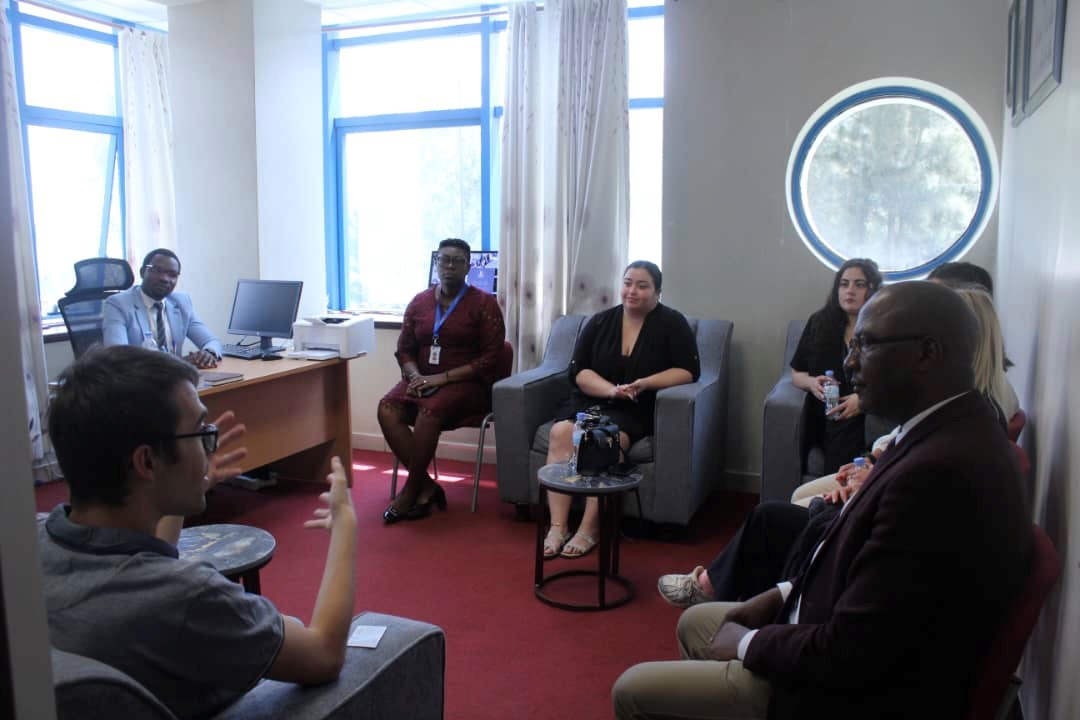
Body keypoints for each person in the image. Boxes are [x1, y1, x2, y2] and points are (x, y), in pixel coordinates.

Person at [615, 281, 1032, 720]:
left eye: (866, 346)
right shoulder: (942, 428)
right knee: (694, 622)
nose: (850, 363)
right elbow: (866, 575)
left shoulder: (938, 474)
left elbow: (851, 653)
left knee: (634, 690)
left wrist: (745, 642)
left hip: (849, 695)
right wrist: (782, 593)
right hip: (831, 630)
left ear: (927, 354)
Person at [40, 345, 357, 720]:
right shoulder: (188, 597)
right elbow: (323, 654)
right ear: (147, 461)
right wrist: (345, 526)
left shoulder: (33, 542)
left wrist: (180, 492)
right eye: (199, 433)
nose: (210, 445)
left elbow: (144, 563)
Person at [542, 261, 700, 559]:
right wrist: (611, 390)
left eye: (642, 286)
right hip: (594, 398)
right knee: (561, 431)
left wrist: (643, 384)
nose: (632, 291)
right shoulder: (601, 321)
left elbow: (688, 371)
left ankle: (589, 528)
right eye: (628, 283)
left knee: (601, 438)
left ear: (657, 292)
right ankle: (558, 526)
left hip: (637, 405)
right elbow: (579, 371)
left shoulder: (672, 323)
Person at [377, 238, 507, 524]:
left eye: (457, 261)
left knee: (429, 411)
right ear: (436, 263)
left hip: (469, 384)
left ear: (468, 267)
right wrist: (415, 376)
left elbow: (491, 358)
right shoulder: (420, 301)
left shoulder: (484, 304)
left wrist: (442, 378)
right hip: (422, 378)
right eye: (444, 260)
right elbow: (404, 349)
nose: (449, 266)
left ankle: (411, 491)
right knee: (387, 408)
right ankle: (426, 486)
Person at [789, 258, 882, 475]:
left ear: (873, 289)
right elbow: (795, 374)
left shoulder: (885, 326)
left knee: (851, 425)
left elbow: (899, 377)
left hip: (872, 410)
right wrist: (812, 383)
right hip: (830, 412)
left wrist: (864, 401)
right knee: (838, 422)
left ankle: (842, 494)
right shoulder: (820, 323)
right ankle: (841, 494)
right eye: (844, 284)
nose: (850, 291)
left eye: (859, 284)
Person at [102, 248, 223, 368]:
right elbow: (117, 356)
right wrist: (178, 363)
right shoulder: (118, 304)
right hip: (137, 380)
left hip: (175, 379)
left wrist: (208, 353)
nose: (164, 279)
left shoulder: (181, 303)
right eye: (157, 270)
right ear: (143, 272)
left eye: (172, 274)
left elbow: (212, 341)